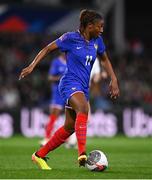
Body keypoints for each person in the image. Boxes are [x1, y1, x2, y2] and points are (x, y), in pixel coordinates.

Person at [19, 9, 120, 170]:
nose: (101, 30)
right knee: (83, 109)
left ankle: (39, 155)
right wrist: (32, 66)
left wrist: (113, 79)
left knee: (69, 127)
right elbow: (46, 49)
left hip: (83, 88)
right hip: (68, 84)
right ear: (89, 26)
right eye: (99, 26)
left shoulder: (97, 41)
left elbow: (105, 59)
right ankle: (82, 153)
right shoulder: (70, 38)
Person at [40, 53, 67, 146]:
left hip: (69, 92)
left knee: (72, 115)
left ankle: (70, 139)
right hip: (57, 93)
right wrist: (60, 78)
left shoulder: (71, 60)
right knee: (54, 114)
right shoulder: (56, 62)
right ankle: (47, 137)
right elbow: (50, 77)